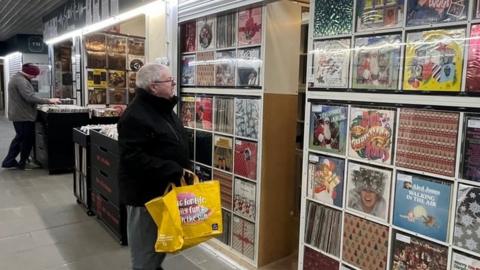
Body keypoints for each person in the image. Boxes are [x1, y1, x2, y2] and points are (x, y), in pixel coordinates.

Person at [118, 63, 190, 270]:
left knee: (158, 247)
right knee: (145, 256)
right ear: (153, 86)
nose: (174, 83)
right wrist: (173, 169)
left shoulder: (163, 108)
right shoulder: (135, 115)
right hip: (144, 198)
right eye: (169, 80)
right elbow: (133, 158)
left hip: (163, 192)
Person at [2, 63, 61, 170]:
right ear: (29, 73)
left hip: (19, 115)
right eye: (34, 75)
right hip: (23, 116)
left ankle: (10, 161)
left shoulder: (17, 78)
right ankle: (21, 163)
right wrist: (49, 101)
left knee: (20, 138)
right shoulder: (21, 81)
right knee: (25, 140)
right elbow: (29, 97)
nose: (35, 77)